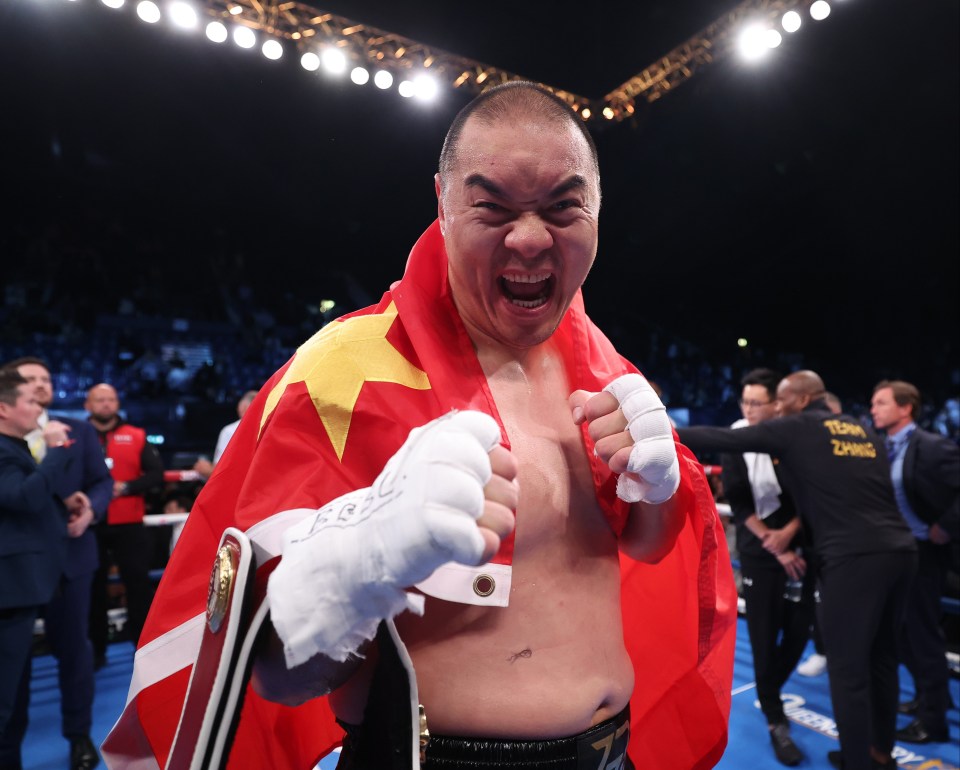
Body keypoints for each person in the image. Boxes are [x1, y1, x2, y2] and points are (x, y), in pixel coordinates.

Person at [101, 81, 738, 770]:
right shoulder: (344, 368)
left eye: (563, 207)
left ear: (597, 210)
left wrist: (659, 487)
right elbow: (276, 674)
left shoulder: (606, 369)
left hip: (613, 750)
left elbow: (647, 548)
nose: (529, 237)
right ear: (442, 201)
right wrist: (364, 554)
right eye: (492, 206)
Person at [677, 370, 918, 770]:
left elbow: (725, 439)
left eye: (781, 403)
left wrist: (656, 428)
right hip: (899, 553)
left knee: (847, 669)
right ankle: (879, 753)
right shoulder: (861, 431)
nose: (776, 411)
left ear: (801, 401)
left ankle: (859, 762)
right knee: (883, 659)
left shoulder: (799, 427)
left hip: (851, 559)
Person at [1, 358, 113, 770]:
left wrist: (90, 513)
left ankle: (80, 736)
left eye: (46, 379)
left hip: (71, 559)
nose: (41, 386)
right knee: (13, 662)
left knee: (75, 652)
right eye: (31, 381)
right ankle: (11, 748)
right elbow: (21, 494)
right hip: (16, 568)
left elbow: (100, 482)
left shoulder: (78, 429)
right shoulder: (9, 435)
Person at [721, 368, 810, 766]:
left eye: (758, 402)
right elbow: (739, 504)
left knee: (798, 631)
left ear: (776, 403)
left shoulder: (795, 434)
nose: (750, 409)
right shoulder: (738, 435)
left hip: (802, 546)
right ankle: (776, 718)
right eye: (746, 401)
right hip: (761, 551)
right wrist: (775, 545)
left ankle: (769, 689)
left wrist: (790, 534)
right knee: (761, 634)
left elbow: (813, 495)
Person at [870, 379, 958, 744]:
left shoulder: (932, 446)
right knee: (902, 633)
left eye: (881, 403)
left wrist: (945, 527)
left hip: (924, 553)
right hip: (896, 551)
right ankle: (929, 697)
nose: (873, 409)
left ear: (905, 408)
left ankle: (933, 721)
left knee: (922, 636)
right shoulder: (881, 446)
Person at [0, 369, 72, 770]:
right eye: (29, 400)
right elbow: (22, 497)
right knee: (4, 702)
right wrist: (57, 449)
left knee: (14, 699)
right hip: (9, 591)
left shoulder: (13, 446)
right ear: (4, 408)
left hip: (19, 590)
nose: (38, 408)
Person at [85, 383, 164, 664]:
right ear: (88, 405)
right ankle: (95, 651)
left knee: (138, 587)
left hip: (129, 523)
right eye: (100, 400)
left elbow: (156, 475)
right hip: (90, 524)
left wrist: (127, 487)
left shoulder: (137, 436)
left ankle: (142, 649)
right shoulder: (78, 436)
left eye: (111, 399)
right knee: (92, 588)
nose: (106, 404)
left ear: (117, 403)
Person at [794, 390, 842, 680]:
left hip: (846, 538)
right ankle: (823, 651)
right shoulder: (807, 445)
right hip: (815, 536)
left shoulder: (853, 449)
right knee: (818, 598)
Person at [192, 389, 258, 479]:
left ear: (242, 406)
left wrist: (206, 469)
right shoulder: (270, 428)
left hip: (239, 487)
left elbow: (222, 471)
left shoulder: (231, 430)